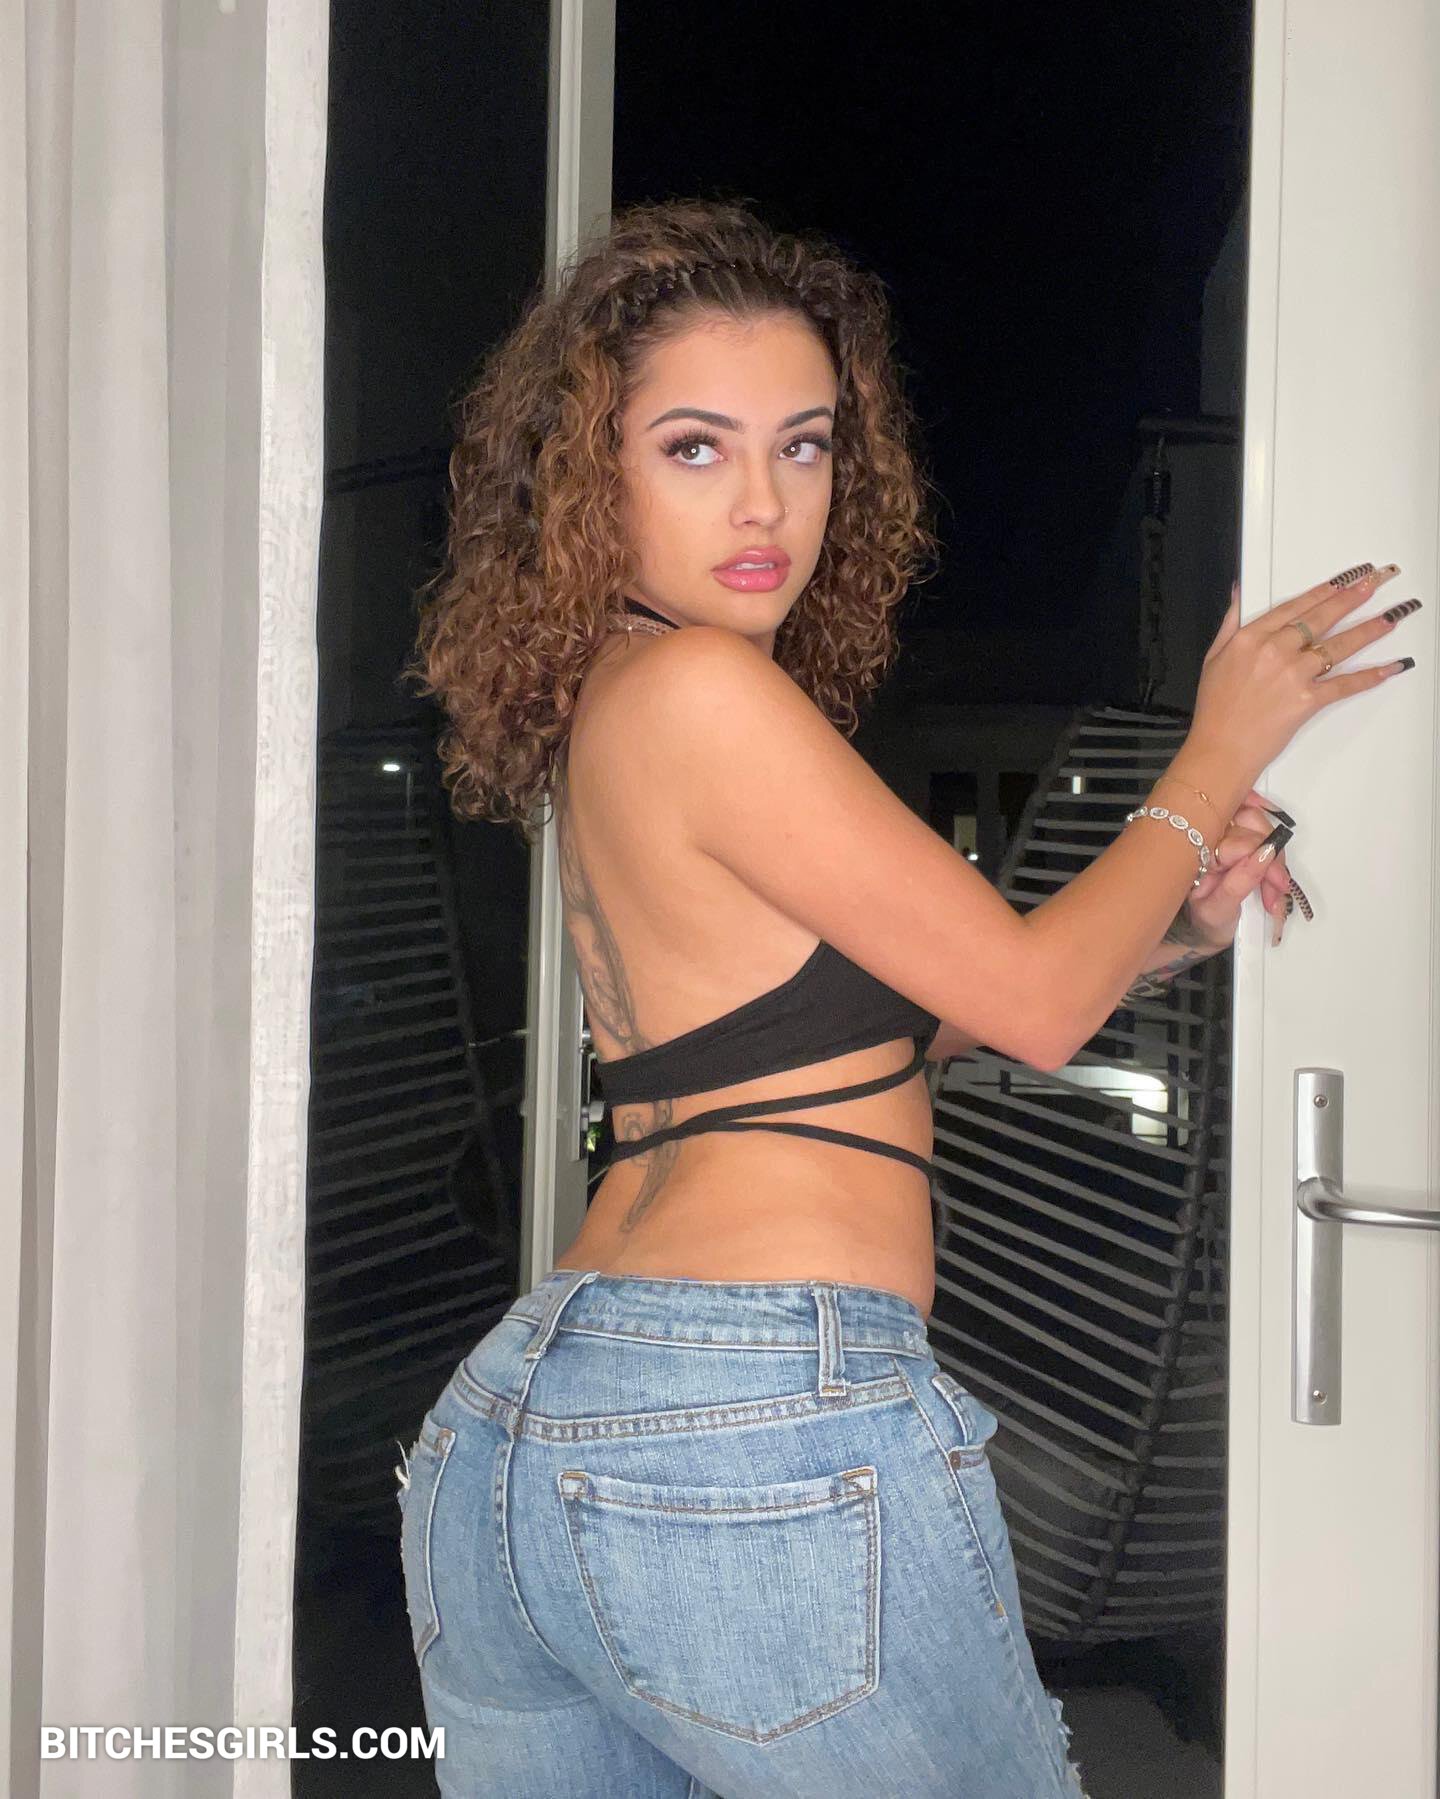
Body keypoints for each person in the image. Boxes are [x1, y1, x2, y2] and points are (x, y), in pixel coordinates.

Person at [397, 196, 1419, 1798]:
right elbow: (1037, 1009)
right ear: (588, 472)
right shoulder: (704, 688)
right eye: (694, 448)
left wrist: (1172, 931)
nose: (764, 502)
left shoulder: (625, 699)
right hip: (746, 1415)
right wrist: (1220, 742)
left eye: (804, 446)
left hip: (527, 1430)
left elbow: (865, 1033)